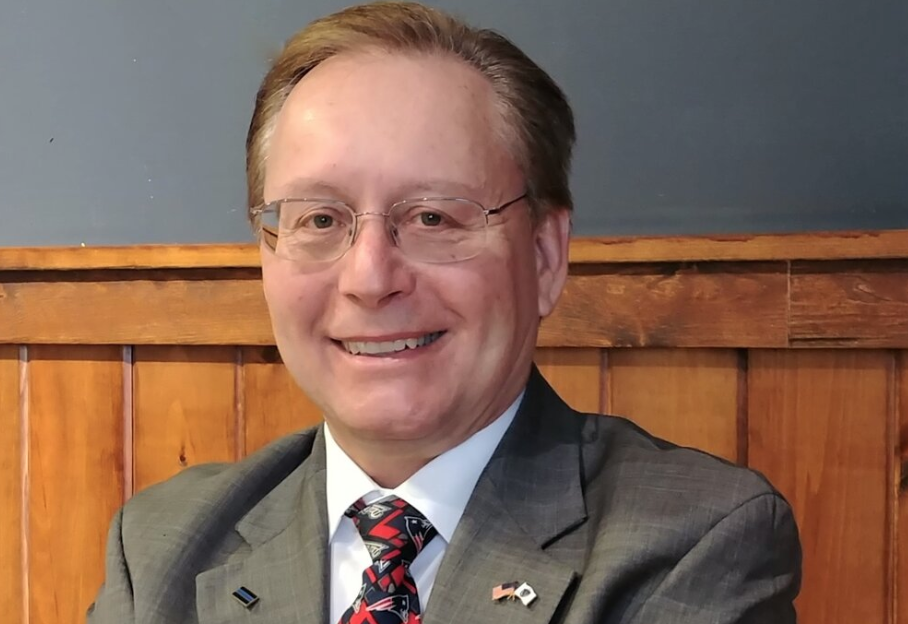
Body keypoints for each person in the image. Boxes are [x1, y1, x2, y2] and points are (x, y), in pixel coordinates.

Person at [87, 2, 801, 622]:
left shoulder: (692, 542)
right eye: (320, 219)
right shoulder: (160, 549)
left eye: (433, 217)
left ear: (544, 256)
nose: (370, 279)